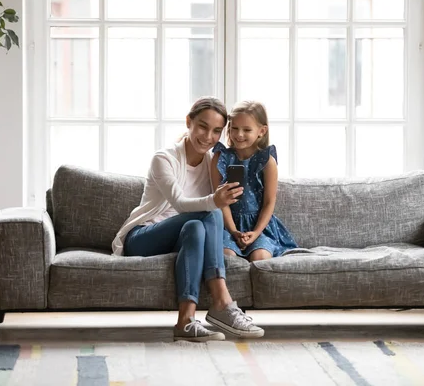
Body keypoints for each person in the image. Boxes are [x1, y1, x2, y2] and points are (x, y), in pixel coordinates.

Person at [112, 97, 264, 342]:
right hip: (142, 236)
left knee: (195, 227)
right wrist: (215, 201)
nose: (208, 137)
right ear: (189, 122)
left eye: (216, 131)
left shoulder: (212, 163)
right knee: (210, 210)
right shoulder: (164, 159)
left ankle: (185, 321)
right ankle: (222, 302)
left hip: (181, 235)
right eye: (202, 127)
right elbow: (181, 203)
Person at [210, 101, 298, 262]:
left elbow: (269, 202)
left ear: (261, 131)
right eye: (234, 128)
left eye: (247, 130)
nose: (239, 134)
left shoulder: (267, 161)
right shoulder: (220, 157)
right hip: (228, 224)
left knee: (260, 257)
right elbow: (221, 202)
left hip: (260, 226)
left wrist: (256, 232)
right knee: (227, 256)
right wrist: (234, 231)